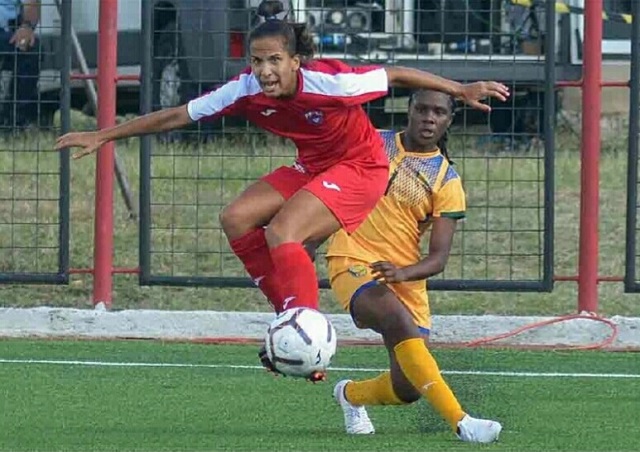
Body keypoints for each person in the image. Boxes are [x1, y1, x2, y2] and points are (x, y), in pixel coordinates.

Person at [55, 0, 508, 379]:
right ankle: (291, 318)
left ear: (295, 61)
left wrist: (459, 87)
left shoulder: (330, 82)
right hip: (313, 166)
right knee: (235, 218)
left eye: (275, 60)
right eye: (257, 60)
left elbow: (394, 75)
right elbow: (178, 115)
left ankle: (306, 332)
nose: (266, 71)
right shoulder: (245, 89)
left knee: (283, 232)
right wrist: (104, 135)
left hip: (362, 167)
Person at [324, 89, 502, 442]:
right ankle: (462, 422)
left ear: (449, 121)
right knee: (396, 319)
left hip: (405, 277)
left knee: (407, 389)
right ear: (409, 110)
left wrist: (402, 274)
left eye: (438, 112)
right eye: (422, 109)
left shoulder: (446, 180)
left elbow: (438, 259)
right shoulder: (374, 142)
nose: (429, 117)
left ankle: (349, 395)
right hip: (354, 259)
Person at [0, 0, 40, 128]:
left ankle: (16, 119)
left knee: (32, 47)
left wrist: (26, 26)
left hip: (7, 31)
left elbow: (32, 3)